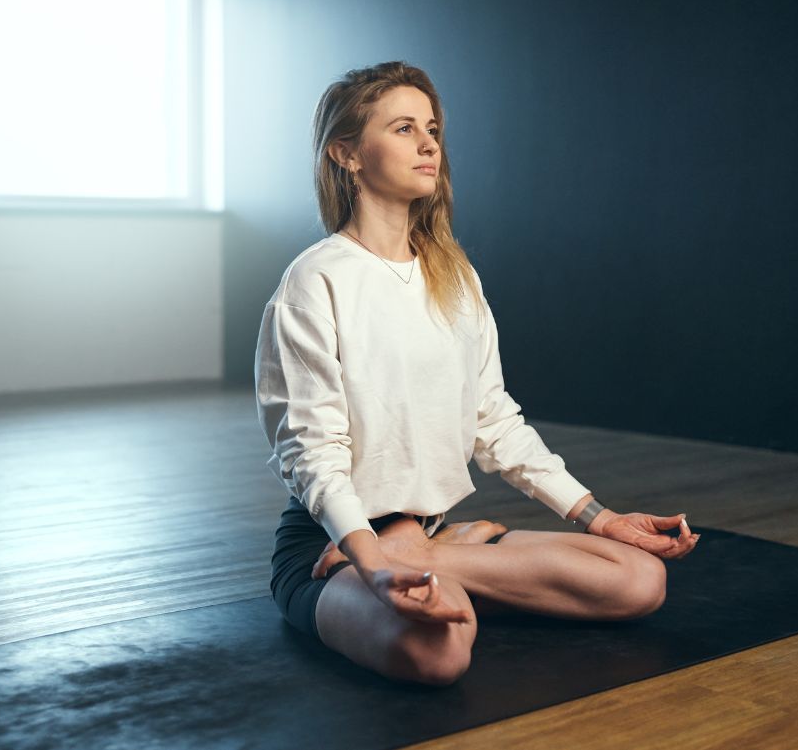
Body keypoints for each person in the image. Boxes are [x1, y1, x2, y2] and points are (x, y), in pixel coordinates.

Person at [254, 60, 699, 686]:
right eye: (404, 128)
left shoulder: (455, 277)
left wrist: (600, 516)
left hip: (422, 537)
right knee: (440, 650)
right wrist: (375, 559)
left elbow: (494, 419)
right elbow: (310, 452)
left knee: (640, 580)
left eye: (431, 128)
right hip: (334, 551)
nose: (430, 143)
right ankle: (429, 560)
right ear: (346, 154)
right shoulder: (315, 279)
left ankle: (436, 551)